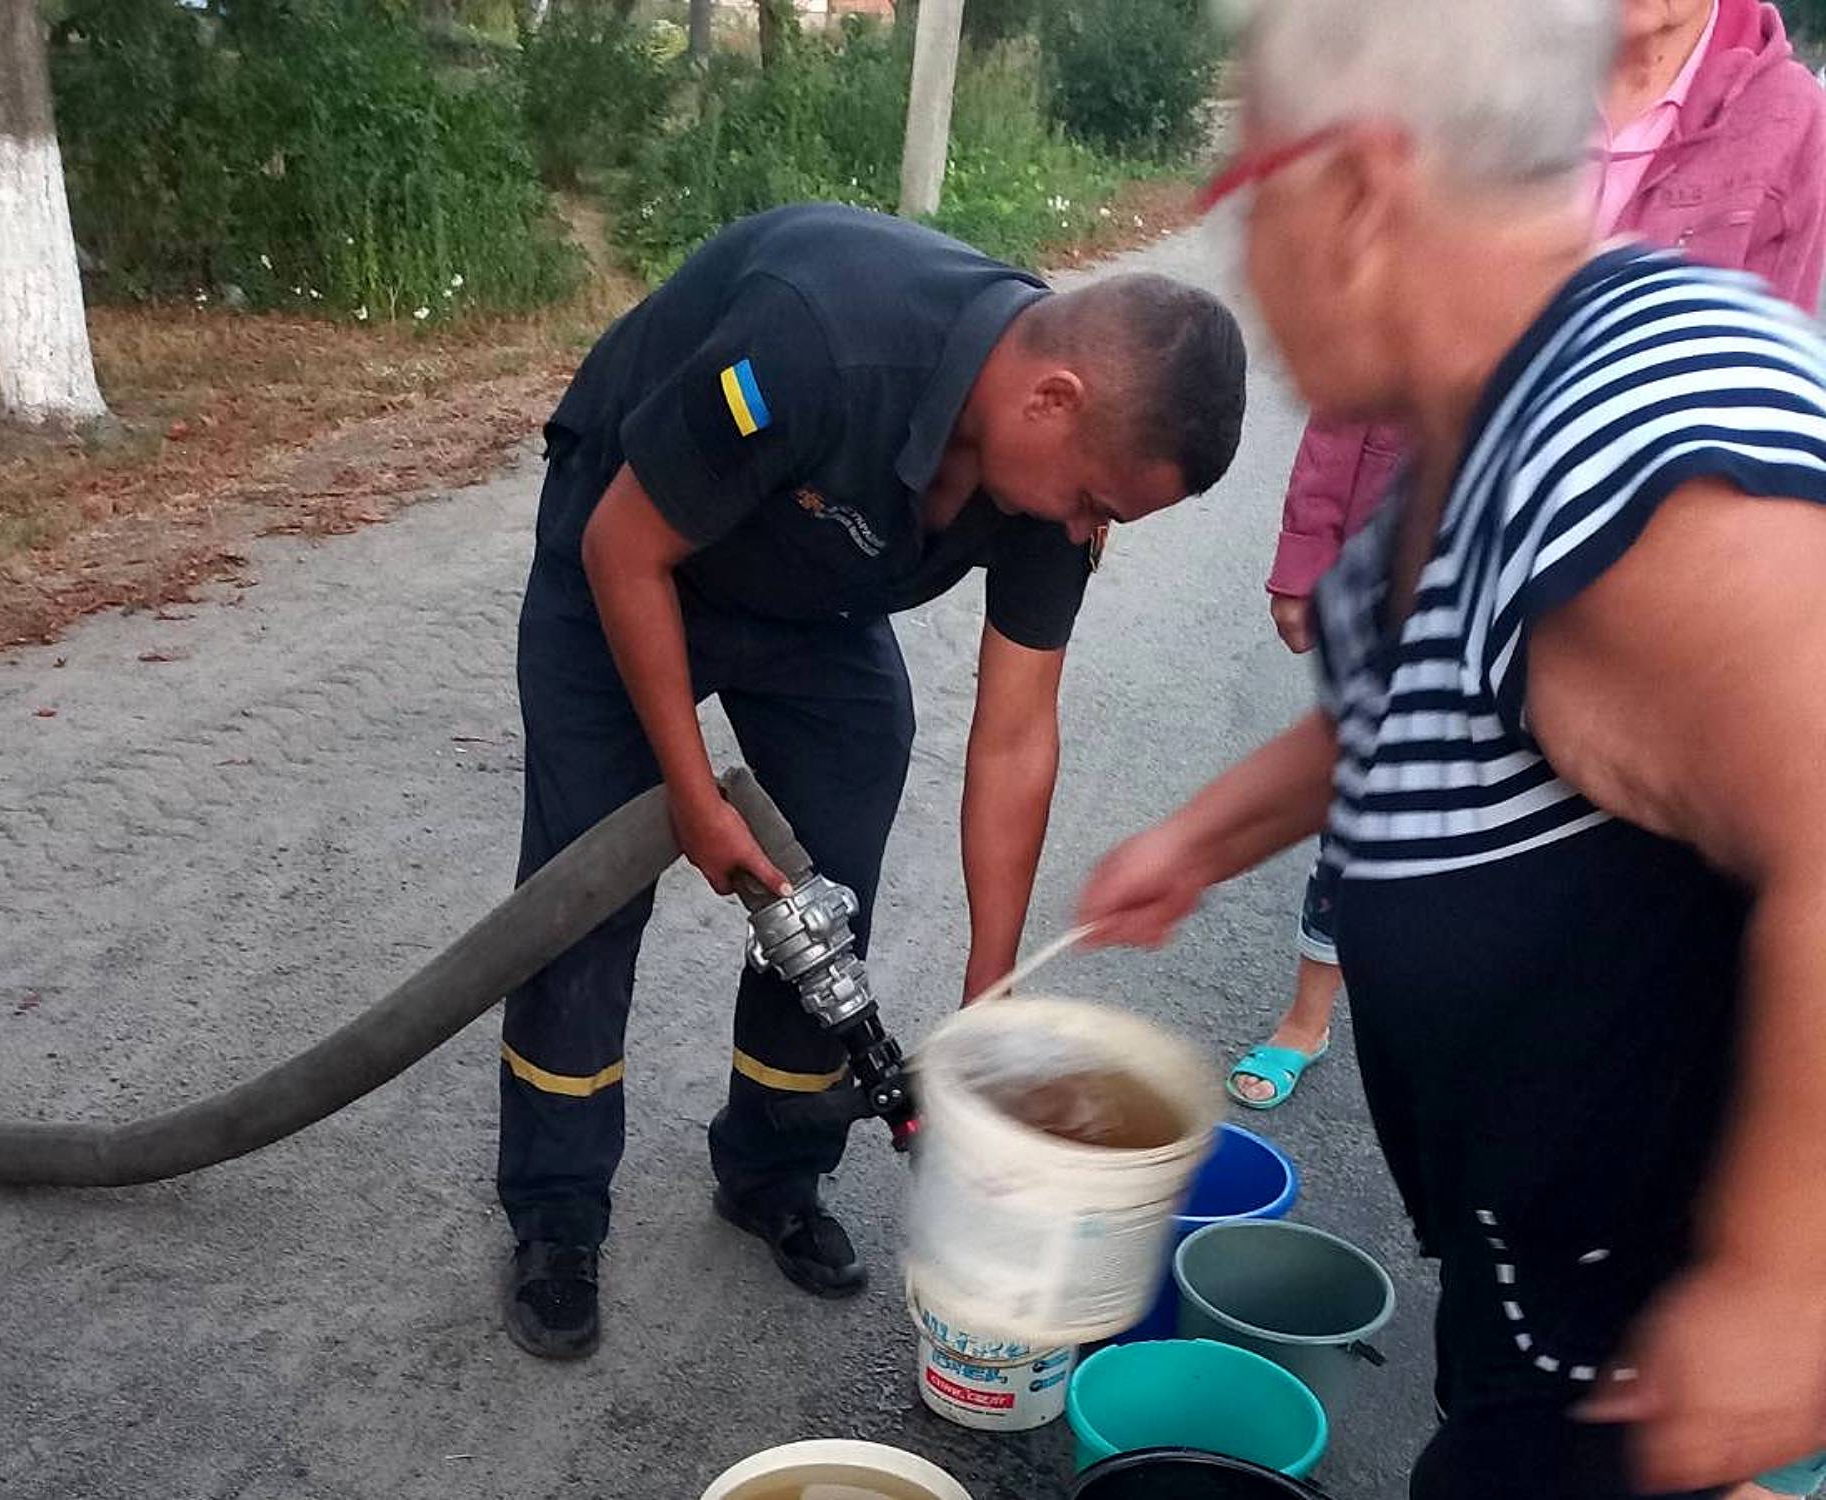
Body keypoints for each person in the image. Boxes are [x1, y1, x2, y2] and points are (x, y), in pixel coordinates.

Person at [1077, 0, 1826, 1494]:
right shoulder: (1475, 435)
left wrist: (1779, 1291)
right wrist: (1200, 842)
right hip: (1541, 1304)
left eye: (1245, 199)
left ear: (1352, 194)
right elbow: (1428, 701)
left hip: (1663, 1376)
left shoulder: (1641, 435)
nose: (1244, 262)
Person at [502, 201, 1248, 1360]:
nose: (1091, 530)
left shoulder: (1052, 471)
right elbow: (622, 548)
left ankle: (772, 1170)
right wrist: (693, 795)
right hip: (633, 553)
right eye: (1098, 503)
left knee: (827, 880)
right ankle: (555, 1213)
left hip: (809, 598)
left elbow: (1013, 731)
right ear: (1051, 400)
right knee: (583, 902)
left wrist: (991, 988)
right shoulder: (818, 340)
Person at [1229, 0, 1826, 1112]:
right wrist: (1312, 532)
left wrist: (1763, 1272)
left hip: (1615, 570)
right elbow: (1369, 298)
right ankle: (1332, 1024)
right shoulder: (1495, 76)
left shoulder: (1784, 123)